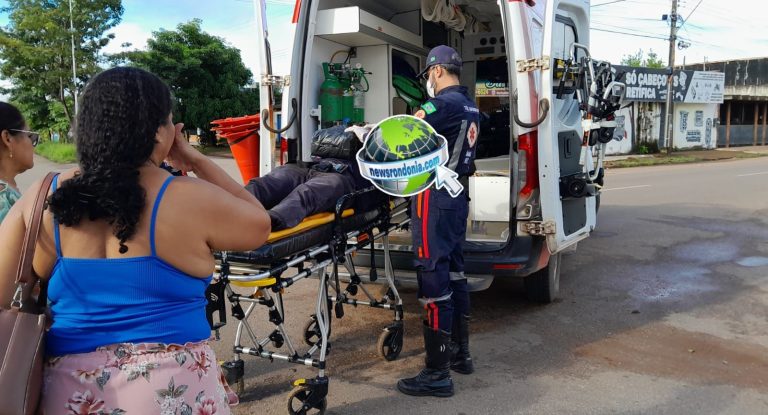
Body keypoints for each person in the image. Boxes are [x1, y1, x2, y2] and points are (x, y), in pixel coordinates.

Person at [0, 67, 271, 414]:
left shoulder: (42, 197)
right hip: (177, 391)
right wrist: (195, 158)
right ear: (160, 132)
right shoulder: (187, 198)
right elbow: (259, 224)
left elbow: (4, 292)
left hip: (72, 396)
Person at [397, 45, 480, 398]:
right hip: (458, 196)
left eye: (429, 75)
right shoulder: (473, 107)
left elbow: (405, 132)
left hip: (435, 197)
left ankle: (436, 373)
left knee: (433, 278)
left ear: (436, 72)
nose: (429, 80)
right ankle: (461, 355)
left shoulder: (440, 105)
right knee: (456, 272)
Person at [245, 125, 372, 230]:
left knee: (307, 193)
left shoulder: (381, 144)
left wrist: (367, 137)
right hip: (314, 166)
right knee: (274, 180)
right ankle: (233, 205)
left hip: (344, 178)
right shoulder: (358, 131)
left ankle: (267, 222)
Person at [0, 101, 37, 222]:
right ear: (7, 139)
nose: (33, 144)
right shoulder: (4, 200)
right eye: (30, 136)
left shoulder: (8, 190)